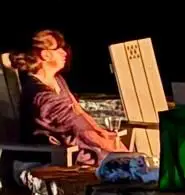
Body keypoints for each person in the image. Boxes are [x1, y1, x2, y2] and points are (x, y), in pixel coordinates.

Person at [11, 30, 125, 166]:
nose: (64, 53)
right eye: (58, 49)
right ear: (45, 54)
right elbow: (77, 127)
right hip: (51, 157)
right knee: (119, 161)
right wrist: (115, 149)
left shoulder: (57, 80)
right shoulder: (40, 94)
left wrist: (101, 132)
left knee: (117, 158)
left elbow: (78, 111)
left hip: (72, 148)